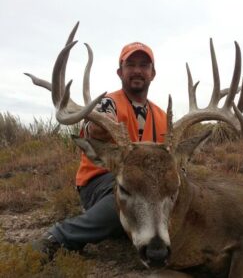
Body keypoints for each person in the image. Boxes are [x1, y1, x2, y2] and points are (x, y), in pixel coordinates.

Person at [32, 42, 167, 258]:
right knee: (127, 197)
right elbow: (91, 126)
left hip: (146, 184)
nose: (137, 70)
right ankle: (58, 237)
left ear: (152, 73)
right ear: (120, 72)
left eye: (144, 65)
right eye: (130, 64)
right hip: (101, 182)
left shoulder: (162, 116)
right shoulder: (108, 104)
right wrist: (95, 128)